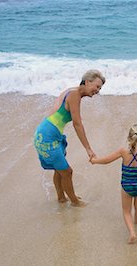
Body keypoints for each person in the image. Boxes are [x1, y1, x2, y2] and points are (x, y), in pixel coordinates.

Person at [34, 70, 105, 207]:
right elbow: (77, 124)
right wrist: (88, 149)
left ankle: (61, 198)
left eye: (100, 88)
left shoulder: (71, 91)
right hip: (47, 137)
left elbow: (54, 111)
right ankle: (74, 202)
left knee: (59, 170)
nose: (97, 90)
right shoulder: (74, 95)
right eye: (96, 86)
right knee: (67, 172)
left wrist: (55, 133)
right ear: (87, 81)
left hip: (48, 133)